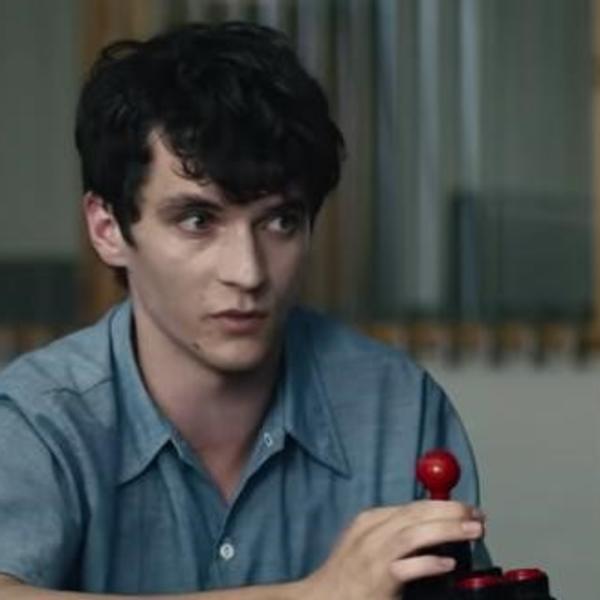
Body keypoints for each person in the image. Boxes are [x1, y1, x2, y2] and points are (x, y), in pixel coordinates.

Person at [0, 21, 487, 599]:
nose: (249, 272)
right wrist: (312, 595)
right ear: (108, 229)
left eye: (279, 221)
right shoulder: (38, 418)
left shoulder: (399, 407)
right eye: (198, 220)